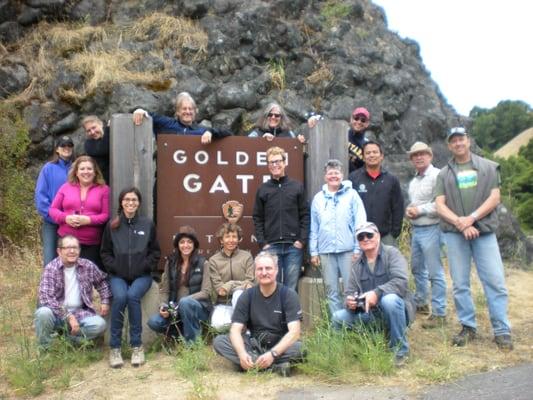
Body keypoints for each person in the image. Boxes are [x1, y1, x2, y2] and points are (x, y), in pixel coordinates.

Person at [435, 127, 512, 350]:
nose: (458, 143)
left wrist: (471, 219)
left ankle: (502, 330)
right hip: (455, 234)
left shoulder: (488, 167)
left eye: (461, 139)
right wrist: (461, 223)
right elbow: (440, 204)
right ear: (449, 146)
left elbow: (495, 197)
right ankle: (468, 327)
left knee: (495, 282)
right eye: (453, 141)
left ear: (468, 141)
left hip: (484, 232)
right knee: (460, 284)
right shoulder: (443, 174)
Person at [332, 222, 415, 366]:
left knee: (389, 300)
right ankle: (340, 356)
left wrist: (377, 293)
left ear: (378, 236)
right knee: (337, 317)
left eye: (369, 235)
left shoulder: (392, 253)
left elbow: (401, 281)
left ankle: (400, 352)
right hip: (370, 314)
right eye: (361, 237)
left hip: (397, 310)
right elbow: (348, 293)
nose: (365, 239)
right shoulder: (356, 265)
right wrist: (350, 302)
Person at [213, 252, 304, 376]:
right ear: (255, 272)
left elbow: (295, 332)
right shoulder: (247, 296)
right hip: (254, 345)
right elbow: (235, 330)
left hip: (279, 346)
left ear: (276, 270)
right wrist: (241, 354)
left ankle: (252, 365)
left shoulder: (288, 295)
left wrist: (272, 354)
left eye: (268, 268)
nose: (264, 272)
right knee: (219, 341)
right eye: (260, 269)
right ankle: (271, 366)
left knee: (301, 348)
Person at [100, 187, 161, 368]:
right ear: (121, 202)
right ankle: (115, 348)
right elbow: (105, 253)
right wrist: (115, 267)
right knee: (120, 297)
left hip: (142, 276)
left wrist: (145, 266)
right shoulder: (112, 225)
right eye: (127, 199)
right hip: (118, 275)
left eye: (134, 200)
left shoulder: (147, 224)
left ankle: (137, 346)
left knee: (132, 296)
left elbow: (155, 252)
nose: (130, 203)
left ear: (138, 203)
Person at [309, 159, 367, 315]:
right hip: (326, 252)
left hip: (348, 250)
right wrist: (313, 251)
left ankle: (353, 322)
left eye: (336, 173)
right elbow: (314, 226)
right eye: (330, 173)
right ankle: (337, 325)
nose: (333, 176)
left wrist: (357, 248)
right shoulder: (318, 199)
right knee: (331, 291)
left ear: (342, 175)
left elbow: (360, 222)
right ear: (325, 176)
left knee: (352, 289)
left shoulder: (352, 195)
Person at [34, 235, 111, 349]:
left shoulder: (87, 265)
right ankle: (45, 348)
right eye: (67, 248)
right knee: (42, 313)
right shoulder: (51, 268)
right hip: (56, 314)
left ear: (79, 250)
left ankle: (67, 340)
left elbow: (102, 282)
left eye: (75, 247)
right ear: (59, 251)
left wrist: (105, 300)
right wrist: (68, 316)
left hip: (80, 313)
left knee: (99, 325)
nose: (72, 251)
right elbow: (46, 298)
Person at [252, 146, 309, 291]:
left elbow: (305, 215)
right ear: (268, 166)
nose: (275, 165)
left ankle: (290, 315)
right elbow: (257, 218)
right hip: (271, 246)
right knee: (271, 286)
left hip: (293, 247)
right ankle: (273, 315)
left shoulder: (297, 187)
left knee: (291, 288)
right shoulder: (263, 189)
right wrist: (263, 243)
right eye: (271, 162)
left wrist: (301, 240)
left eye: (278, 161)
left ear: (284, 162)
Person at [405, 142, 447, 326]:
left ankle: (439, 313)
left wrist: (419, 210)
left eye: (422, 154)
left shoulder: (438, 175)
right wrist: (410, 209)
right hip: (417, 229)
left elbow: (442, 204)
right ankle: (421, 302)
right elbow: (416, 203)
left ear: (430, 156)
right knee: (416, 268)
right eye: (415, 155)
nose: (419, 157)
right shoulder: (414, 181)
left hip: (433, 228)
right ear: (412, 159)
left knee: (434, 272)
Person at [147, 226, 212, 343]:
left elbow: (206, 292)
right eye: (182, 242)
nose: (185, 245)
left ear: (194, 244)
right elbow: (165, 290)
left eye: (189, 242)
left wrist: (183, 301)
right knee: (154, 322)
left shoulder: (203, 263)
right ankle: (179, 334)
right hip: (174, 309)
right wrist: (163, 306)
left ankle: (191, 345)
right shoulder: (170, 262)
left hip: (198, 308)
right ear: (177, 244)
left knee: (185, 303)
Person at [49, 155, 110, 270]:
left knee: (86, 278)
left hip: (90, 244)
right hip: (66, 241)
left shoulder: (104, 189)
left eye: (89, 169)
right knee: (65, 275)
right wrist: (66, 218)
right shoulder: (65, 187)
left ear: (95, 172)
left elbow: (105, 215)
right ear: (76, 172)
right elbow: (53, 210)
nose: (86, 172)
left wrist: (88, 220)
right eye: (82, 169)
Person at [349, 141, 404, 246]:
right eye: (368, 153)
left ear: (381, 156)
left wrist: (394, 233)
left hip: (386, 236)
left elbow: (398, 208)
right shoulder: (353, 178)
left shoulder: (391, 180)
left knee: (388, 262)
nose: (372, 155)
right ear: (363, 157)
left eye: (375, 152)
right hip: (360, 236)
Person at [34, 135, 75, 266]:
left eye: (69, 145)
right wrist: (54, 217)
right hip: (51, 222)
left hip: (72, 223)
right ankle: (49, 287)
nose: (66, 148)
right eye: (63, 146)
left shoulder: (77, 168)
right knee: (50, 260)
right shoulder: (48, 168)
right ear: (57, 149)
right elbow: (41, 197)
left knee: (70, 260)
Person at [132, 91, 231, 144]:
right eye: (184, 109)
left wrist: (210, 132)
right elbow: (149, 115)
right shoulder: (166, 124)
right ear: (178, 112)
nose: (187, 112)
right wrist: (140, 110)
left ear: (195, 112)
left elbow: (228, 133)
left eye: (190, 109)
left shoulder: (202, 130)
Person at [208, 223, 254, 330]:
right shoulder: (213, 260)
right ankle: (238, 326)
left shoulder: (246, 257)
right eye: (227, 236)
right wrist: (240, 284)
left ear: (239, 239)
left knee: (238, 294)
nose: (231, 240)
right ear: (221, 240)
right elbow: (220, 290)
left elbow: (250, 283)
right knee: (218, 326)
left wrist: (229, 285)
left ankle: (242, 330)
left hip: (244, 302)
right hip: (223, 303)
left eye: (234, 236)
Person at [308, 106, 370, 172]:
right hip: (333, 176)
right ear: (351, 119)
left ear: (367, 124)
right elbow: (323, 121)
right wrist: (313, 118)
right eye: (356, 118)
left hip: (352, 180)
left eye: (363, 120)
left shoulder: (367, 145)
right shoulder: (339, 132)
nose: (359, 122)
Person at [83, 115, 110, 184]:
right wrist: (108, 128)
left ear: (101, 124)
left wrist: (138, 110)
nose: (92, 132)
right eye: (88, 131)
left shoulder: (112, 134)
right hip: (103, 184)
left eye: (94, 128)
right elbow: (104, 149)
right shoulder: (88, 144)